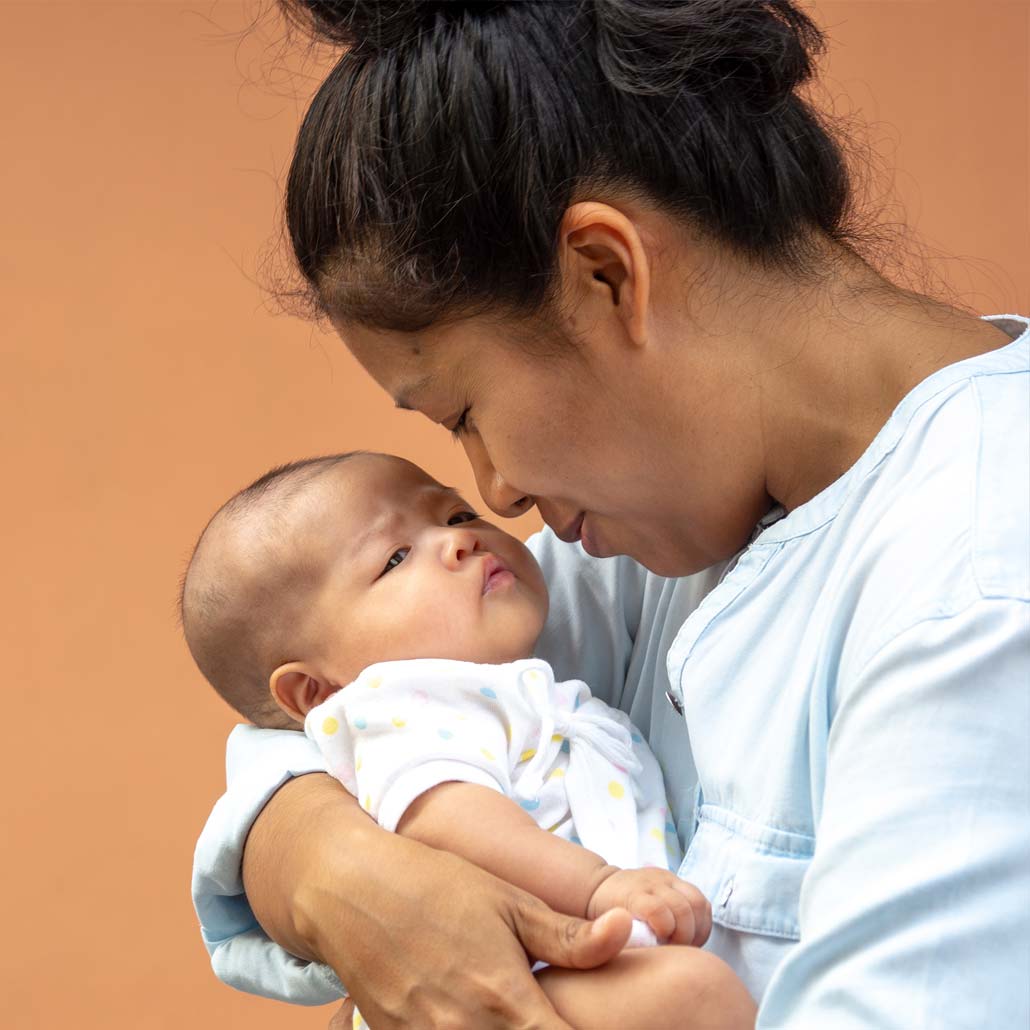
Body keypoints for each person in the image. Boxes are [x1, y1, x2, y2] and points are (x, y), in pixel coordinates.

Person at [191, 1, 1030, 1027]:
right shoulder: (664, 530)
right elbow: (315, 719)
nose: (494, 491)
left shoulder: (980, 575)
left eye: (464, 412)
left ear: (605, 273)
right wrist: (334, 866)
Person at [183, 450, 757, 1028]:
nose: (460, 542)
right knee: (696, 996)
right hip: (509, 982)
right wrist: (597, 887)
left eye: (456, 516)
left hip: (581, 962)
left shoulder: (514, 690)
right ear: (315, 691)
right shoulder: (401, 709)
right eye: (396, 558)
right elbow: (446, 813)